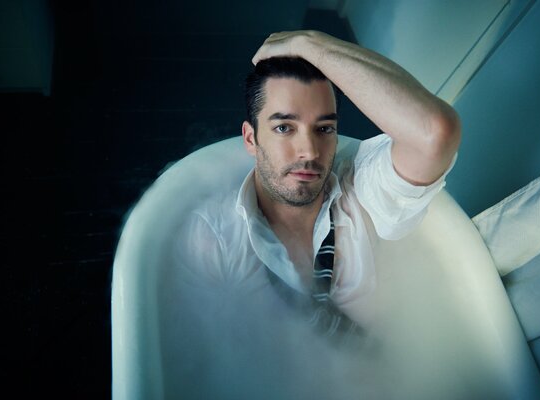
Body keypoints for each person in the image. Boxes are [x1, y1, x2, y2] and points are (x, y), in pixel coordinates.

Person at [172, 29, 460, 335]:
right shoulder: (214, 238)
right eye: (284, 128)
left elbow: (434, 132)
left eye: (324, 129)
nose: (309, 151)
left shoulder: (360, 191)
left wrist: (309, 44)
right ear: (251, 138)